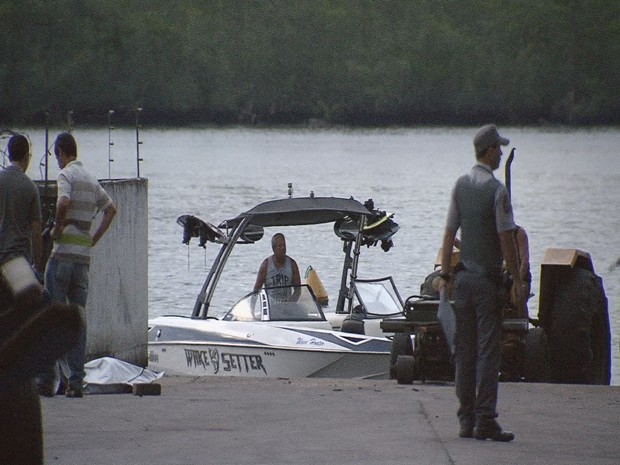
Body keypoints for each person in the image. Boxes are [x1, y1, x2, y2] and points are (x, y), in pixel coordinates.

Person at [438, 124, 526, 442]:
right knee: (488, 352)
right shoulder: (497, 191)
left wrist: (445, 276)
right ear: (488, 151)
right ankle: (486, 420)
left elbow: (449, 235)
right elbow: (507, 240)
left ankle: (466, 420)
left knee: (464, 352)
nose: (501, 153)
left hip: (461, 281)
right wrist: (516, 280)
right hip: (487, 283)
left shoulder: (460, 186)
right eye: (498, 149)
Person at [36, 132, 117, 398]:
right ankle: (76, 382)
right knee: (78, 319)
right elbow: (110, 209)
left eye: (56, 155)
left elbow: (64, 201)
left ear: (61, 152)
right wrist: (93, 238)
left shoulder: (67, 176)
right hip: (82, 260)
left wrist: (58, 228)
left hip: (62, 259)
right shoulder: (91, 179)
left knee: (51, 319)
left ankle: (48, 379)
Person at [0, 133, 43, 302]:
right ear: (26, 156)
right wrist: (37, 266)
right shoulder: (30, 187)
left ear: (9, 154)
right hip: (18, 260)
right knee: (40, 302)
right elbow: (37, 231)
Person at [253, 233, 301, 301]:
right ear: (274, 248)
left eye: (284, 245)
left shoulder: (292, 264)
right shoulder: (266, 265)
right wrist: (252, 309)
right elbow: (256, 290)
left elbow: (298, 289)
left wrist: (291, 301)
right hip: (271, 307)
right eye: (280, 246)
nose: (283, 248)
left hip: (286, 306)